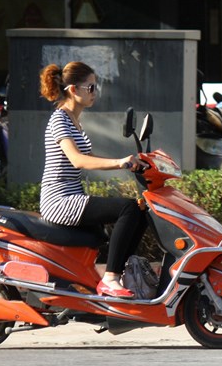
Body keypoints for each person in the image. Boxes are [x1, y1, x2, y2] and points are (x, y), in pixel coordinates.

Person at [39, 61, 147, 298]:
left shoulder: (75, 121)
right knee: (128, 209)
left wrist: (128, 163)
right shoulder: (60, 120)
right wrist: (119, 162)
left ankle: (123, 273)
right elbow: (78, 160)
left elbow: (89, 158)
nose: (95, 93)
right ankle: (110, 279)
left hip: (73, 195)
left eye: (95, 87)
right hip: (59, 200)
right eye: (90, 88)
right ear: (73, 90)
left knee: (140, 210)